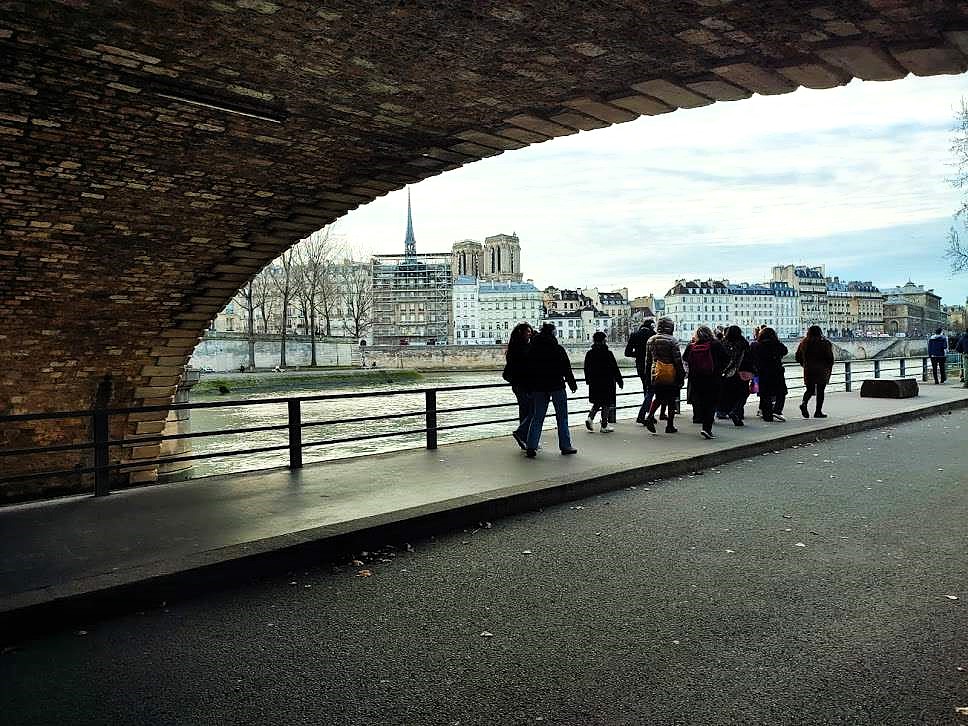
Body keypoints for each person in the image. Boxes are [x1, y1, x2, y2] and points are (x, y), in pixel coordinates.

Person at [525, 323, 578, 457]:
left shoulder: (533, 349)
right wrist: (572, 384)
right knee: (562, 417)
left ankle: (531, 446)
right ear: (553, 333)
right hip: (556, 385)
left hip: (538, 387)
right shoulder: (557, 348)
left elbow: (528, 370)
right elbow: (566, 367)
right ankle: (565, 446)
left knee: (537, 417)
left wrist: (529, 386)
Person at [683, 325, 729, 439]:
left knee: (700, 401)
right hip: (713, 378)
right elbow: (726, 359)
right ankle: (706, 428)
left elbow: (685, 360)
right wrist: (720, 369)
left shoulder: (691, 346)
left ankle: (700, 419)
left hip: (696, 379)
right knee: (711, 403)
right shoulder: (716, 344)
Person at [642, 317, 685, 434]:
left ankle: (650, 416)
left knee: (659, 397)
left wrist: (648, 377)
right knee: (671, 400)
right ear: (670, 327)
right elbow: (677, 361)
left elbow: (648, 361)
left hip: (656, 373)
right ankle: (669, 426)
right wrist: (681, 376)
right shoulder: (672, 341)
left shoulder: (651, 340)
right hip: (670, 375)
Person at [584, 331, 624, 433]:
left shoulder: (590, 353)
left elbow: (586, 368)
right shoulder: (608, 353)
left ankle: (590, 418)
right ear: (603, 340)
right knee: (606, 403)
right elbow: (614, 368)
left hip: (594, 382)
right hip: (607, 381)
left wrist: (588, 380)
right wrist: (620, 380)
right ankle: (604, 425)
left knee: (597, 402)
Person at [504, 322, 534, 450]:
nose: (530, 333)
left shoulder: (513, 347)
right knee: (532, 410)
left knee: (524, 410)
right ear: (522, 333)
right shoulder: (524, 348)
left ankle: (524, 439)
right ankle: (522, 434)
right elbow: (528, 364)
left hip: (517, 384)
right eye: (528, 331)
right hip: (524, 383)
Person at [795, 325, 834, 418]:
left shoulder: (804, 342)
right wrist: (828, 366)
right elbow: (830, 357)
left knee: (809, 390)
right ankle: (818, 412)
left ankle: (804, 403)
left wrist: (804, 364)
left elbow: (797, 356)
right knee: (820, 391)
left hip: (808, 370)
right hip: (822, 370)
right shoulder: (825, 343)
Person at [718, 325, 754, 427]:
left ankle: (726, 411)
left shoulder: (723, 343)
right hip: (741, 373)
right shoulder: (743, 343)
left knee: (728, 394)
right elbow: (749, 358)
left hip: (727, 374)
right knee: (743, 394)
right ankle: (737, 412)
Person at [751, 326, 788, 422]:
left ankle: (767, 415)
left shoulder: (757, 346)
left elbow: (753, 357)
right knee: (781, 392)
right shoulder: (777, 345)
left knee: (765, 393)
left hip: (762, 372)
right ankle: (777, 410)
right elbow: (785, 351)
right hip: (777, 372)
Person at [624, 319, 656, 424]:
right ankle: (646, 414)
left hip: (640, 366)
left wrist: (638, 354)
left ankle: (647, 413)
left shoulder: (634, 335)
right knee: (651, 390)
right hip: (652, 366)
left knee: (646, 388)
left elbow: (627, 352)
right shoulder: (654, 335)